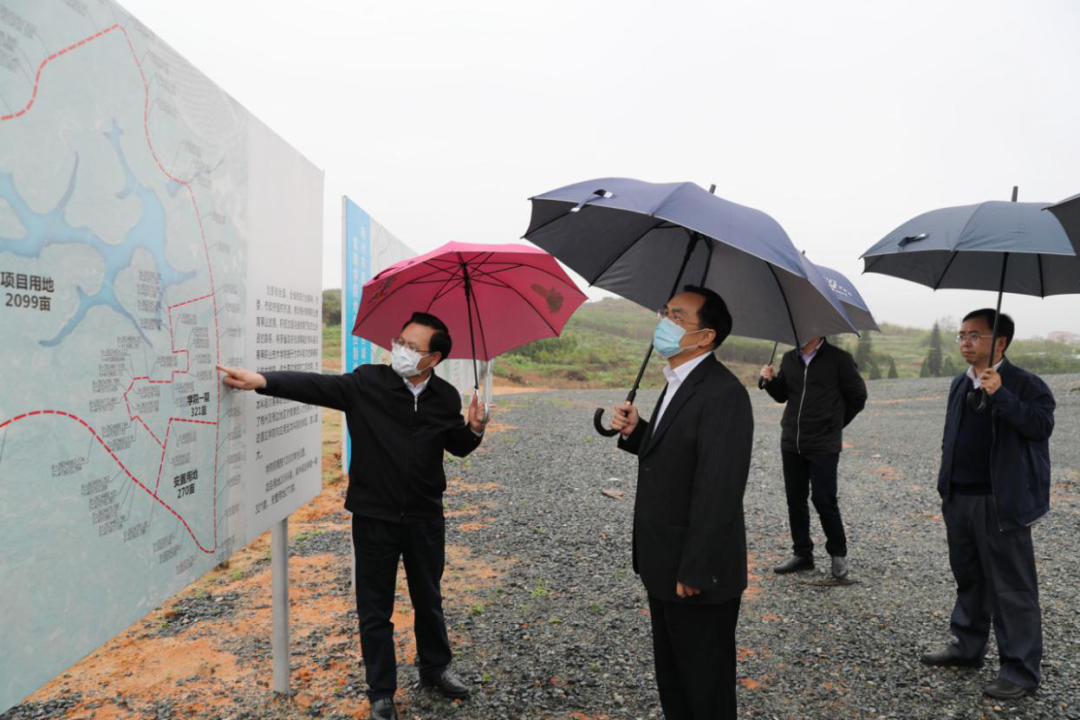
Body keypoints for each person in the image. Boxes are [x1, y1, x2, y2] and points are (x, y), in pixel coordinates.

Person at [218, 311, 487, 720]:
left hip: (425, 518)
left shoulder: (446, 396)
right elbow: (317, 386)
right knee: (374, 609)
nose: (399, 350)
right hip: (373, 517)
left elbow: (459, 445)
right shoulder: (368, 383)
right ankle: (381, 691)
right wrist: (263, 380)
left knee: (429, 598)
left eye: (411, 347)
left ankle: (435, 668)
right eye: (400, 341)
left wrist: (475, 428)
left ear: (433, 358)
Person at [610, 286, 753, 720]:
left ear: (705, 336)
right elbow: (678, 454)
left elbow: (719, 488)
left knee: (704, 690)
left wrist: (696, 567)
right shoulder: (678, 381)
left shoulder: (724, 393)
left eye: (677, 316)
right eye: (665, 312)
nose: (665, 323)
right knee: (674, 682)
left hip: (694, 575)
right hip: (664, 562)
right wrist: (638, 432)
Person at [920, 309, 1053, 700]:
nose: (965, 341)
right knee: (969, 578)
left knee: (1012, 588)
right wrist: (946, 485)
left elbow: (1040, 427)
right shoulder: (960, 383)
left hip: (1000, 502)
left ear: (1001, 342)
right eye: (962, 334)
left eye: (975, 335)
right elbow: (951, 436)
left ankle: (1020, 670)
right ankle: (967, 646)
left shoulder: (1027, 384)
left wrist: (1002, 394)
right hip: (959, 498)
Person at [759, 335, 867, 579]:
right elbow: (782, 395)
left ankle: (838, 553)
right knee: (795, 499)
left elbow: (858, 396)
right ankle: (802, 554)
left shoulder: (839, 359)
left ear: (818, 330)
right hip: (792, 441)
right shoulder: (790, 358)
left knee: (823, 499)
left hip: (823, 445)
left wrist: (834, 425)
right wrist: (770, 381)